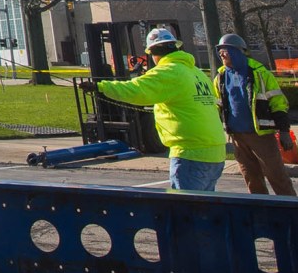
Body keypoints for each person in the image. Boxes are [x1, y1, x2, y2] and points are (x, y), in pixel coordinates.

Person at [94, 27, 226, 193]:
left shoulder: (168, 71)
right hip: (215, 150)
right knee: (205, 207)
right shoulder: (196, 72)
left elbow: (137, 90)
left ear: (153, 52)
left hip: (190, 152)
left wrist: (100, 87)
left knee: (188, 210)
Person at [211, 33, 295, 196]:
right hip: (237, 136)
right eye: (220, 51)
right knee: (251, 177)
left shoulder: (259, 73)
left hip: (261, 134)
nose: (221, 54)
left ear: (237, 51)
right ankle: (260, 210)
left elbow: (278, 103)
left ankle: (290, 208)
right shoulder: (221, 76)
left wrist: (284, 131)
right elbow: (217, 106)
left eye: (225, 50)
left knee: (276, 175)